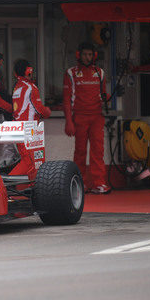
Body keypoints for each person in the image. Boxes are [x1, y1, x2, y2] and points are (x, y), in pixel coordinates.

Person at [63, 42, 110, 194]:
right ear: (79, 55)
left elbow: (103, 96)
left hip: (97, 117)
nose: (87, 57)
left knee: (98, 151)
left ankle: (99, 183)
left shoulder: (100, 72)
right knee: (80, 152)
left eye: (90, 54)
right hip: (80, 117)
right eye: (85, 54)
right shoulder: (71, 73)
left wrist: (109, 97)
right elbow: (66, 99)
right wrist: (68, 121)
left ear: (94, 56)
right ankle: (80, 183)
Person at [11, 59, 51, 180]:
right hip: (30, 131)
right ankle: (3, 186)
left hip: (18, 130)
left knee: (29, 162)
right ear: (28, 71)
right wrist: (48, 111)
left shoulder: (16, 87)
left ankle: (27, 188)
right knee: (30, 163)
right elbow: (40, 109)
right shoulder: (31, 87)